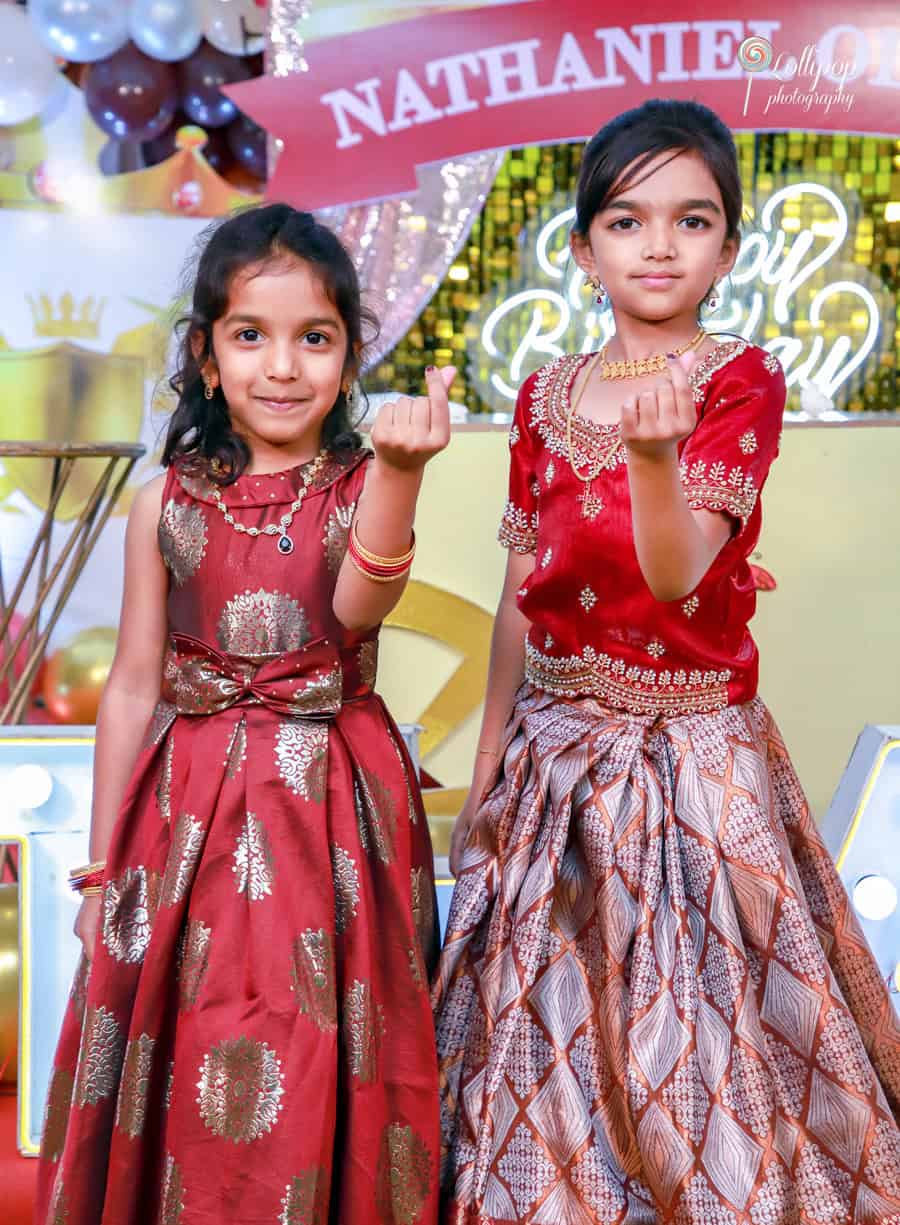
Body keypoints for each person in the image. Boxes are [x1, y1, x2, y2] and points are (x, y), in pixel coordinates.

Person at [433, 100, 900, 1224]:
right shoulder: (544, 393)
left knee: (700, 1016)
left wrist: (650, 450)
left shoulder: (742, 378)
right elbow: (520, 587)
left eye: (691, 221)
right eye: (628, 219)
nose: (657, 244)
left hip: (696, 759)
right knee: (541, 1018)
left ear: (728, 249)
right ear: (585, 245)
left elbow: (682, 566)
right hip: (555, 755)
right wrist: (491, 763)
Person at [36, 203, 452, 1225]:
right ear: (206, 357)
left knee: (325, 1037)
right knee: (192, 1032)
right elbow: (135, 681)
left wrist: (400, 474)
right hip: (188, 820)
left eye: (315, 337)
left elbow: (360, 605)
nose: (282, 365)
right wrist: (101, 871)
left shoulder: (363, 486)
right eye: (250, 335)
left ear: (350, 358)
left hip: (330, 813)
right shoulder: (163, 499)